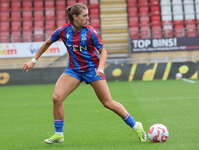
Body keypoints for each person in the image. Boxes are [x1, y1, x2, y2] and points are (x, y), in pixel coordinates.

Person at [22, 3, 146, 145]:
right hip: (73, 70)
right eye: (85, 15)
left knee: (108, 103)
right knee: (56, 98)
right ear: (75, 17)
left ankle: (137, 127)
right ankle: (59, 134)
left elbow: (103, 51)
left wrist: (100, 68)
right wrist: (33, 60)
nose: (88, 18)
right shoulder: (63, 31)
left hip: (92, 69)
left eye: (88, 15)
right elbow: (47, 43)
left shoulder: (90, 32)